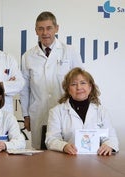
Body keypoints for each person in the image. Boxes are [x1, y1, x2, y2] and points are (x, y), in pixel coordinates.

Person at [20, 11, 83, 149]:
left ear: (56, 28)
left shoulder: (69, 52)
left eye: (49, 28)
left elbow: (80, 83)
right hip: (39, 113)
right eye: (41, 28)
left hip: (66, 112)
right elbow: (24, 89)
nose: (45, 32)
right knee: (40, 154)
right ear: (36, 30)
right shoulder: (28, 56)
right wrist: (26, 115)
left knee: (67, 151)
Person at [45, 67, 119, 155]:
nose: (79, 87)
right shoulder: (56, 112)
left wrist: (108, 145)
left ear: (90, 87)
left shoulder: (101, 111)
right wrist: (64, 146)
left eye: (83, 83)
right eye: (73, 84)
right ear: (68, 90)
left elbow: (111, 137)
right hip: (67, 159)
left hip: (96, 160)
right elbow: (51, 139)